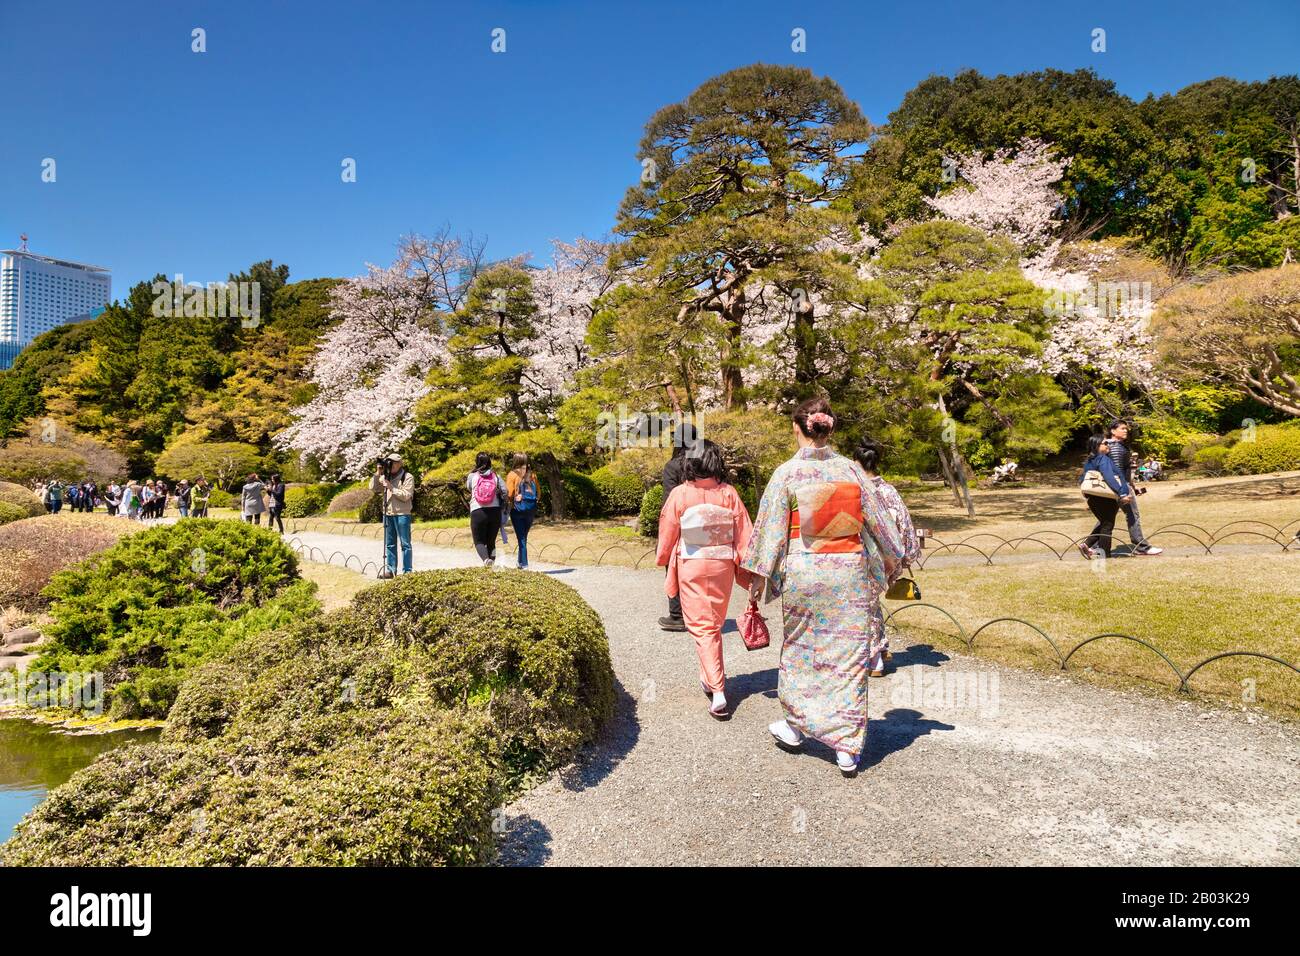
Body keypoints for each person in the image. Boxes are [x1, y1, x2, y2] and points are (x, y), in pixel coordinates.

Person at [740, 398, 907, 778]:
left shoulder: (787, 473)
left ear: (798, 428)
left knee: (802, 650)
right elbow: (880, 526)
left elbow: (769, 534)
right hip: (848, 571)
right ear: (829, 428)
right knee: (847, 654)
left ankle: (796, 726)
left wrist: (759, 577)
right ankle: (846, 747)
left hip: (805, 571)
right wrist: (892, 558)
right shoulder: (851, 471)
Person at [656, 439, 753, 720]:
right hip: (721, 564)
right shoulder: (728, 494)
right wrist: (749, 568)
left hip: (693, 565)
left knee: (702, 626)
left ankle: (719, 692)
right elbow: (743, 531)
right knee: (712, 623)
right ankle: (708, 677)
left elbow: (668, 529)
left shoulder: (681, 494)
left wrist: (663, 556)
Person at [853, 438, 922, 678]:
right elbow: (904, 524)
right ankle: (879, 650)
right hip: (887, 559)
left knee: (863, 607)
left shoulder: (855, 490)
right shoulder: (888, 491)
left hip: (859, 556)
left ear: (855, 462)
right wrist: (906, 556)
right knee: (871, 604)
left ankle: (872, 658)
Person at [657, 421, 698, 632]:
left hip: (680, 524)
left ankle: (677, 615)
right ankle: (699, 614)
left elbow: (668, 501)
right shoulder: (704, 464)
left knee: (673, 568)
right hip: (703, 526)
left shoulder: (672, 466)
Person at [1106, 420, 1162, 555]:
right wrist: (1124, 489)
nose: (1126, 431)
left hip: (1115, 486)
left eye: (1126, 429)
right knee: (1132, 514)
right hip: (1120, 486)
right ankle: (1141, 547)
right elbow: (1118, 470)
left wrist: (1132, 485)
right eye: (1122, 428)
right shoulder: (1116, 447)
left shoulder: (1113, 445)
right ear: (1113, 431)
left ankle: (1092, 544)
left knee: (1106, 517)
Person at [1078, 435, 1131, 559]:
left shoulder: (1089, 461)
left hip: (1093, 498)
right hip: (1105, 498)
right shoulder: (1103, 459)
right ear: (1097, 446)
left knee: (1104, 523)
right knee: (1107, 526)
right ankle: (1105, 555)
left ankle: (1087, 544)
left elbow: (1082, 480)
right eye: (1105, 443)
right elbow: (1109, 478)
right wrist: (1122, 493)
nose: (1108, 445)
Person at [372, 453, 415, 577]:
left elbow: (406, 495)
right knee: (390, 543)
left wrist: (391, 487)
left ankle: (407, 571)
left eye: (395, 462)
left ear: (400, 463)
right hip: (388, 513)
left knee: (405, 544)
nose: (392, 465)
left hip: (402, 514)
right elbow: (374, 488)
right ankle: (391, 570)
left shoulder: (407, 477)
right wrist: (378, 473)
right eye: (390, 462)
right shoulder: (385, 476)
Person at [467, 452, 508, 567]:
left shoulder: (472, 476)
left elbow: (469, 487)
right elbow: (505, 492)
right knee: (491, 542)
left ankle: (486, 560)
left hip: (477, 511)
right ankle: (492, 564)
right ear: (490, 462)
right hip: (494, 512)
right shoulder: (496, 476)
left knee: (479, 541)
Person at [504, 453, 539, 569]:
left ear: (515, 461)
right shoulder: (532, 474)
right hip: (531, 509)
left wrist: (513, 500)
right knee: (523, 536)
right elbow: (539, 493)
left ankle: (524, 564)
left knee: (522, 538)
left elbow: (509, 494)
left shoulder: (512, 475)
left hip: (517, 509)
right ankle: (520, 562)